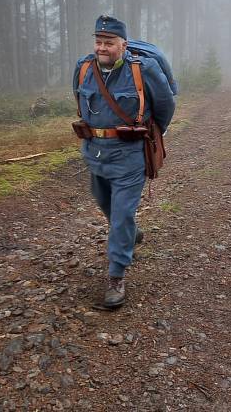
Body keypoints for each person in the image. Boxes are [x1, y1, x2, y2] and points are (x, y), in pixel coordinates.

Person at [73, 15, 176, 308]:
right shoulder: (84, 69)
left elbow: (166, 105)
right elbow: (79, 100)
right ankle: (130, 233)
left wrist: (154, 133)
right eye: (98, 42)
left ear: (123, 44)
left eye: (109, 43)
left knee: (120, 215)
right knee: (104, 203)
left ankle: (116, 276)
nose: (102, 48)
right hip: (95, 152)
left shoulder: (143, 69)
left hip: (130, 155)